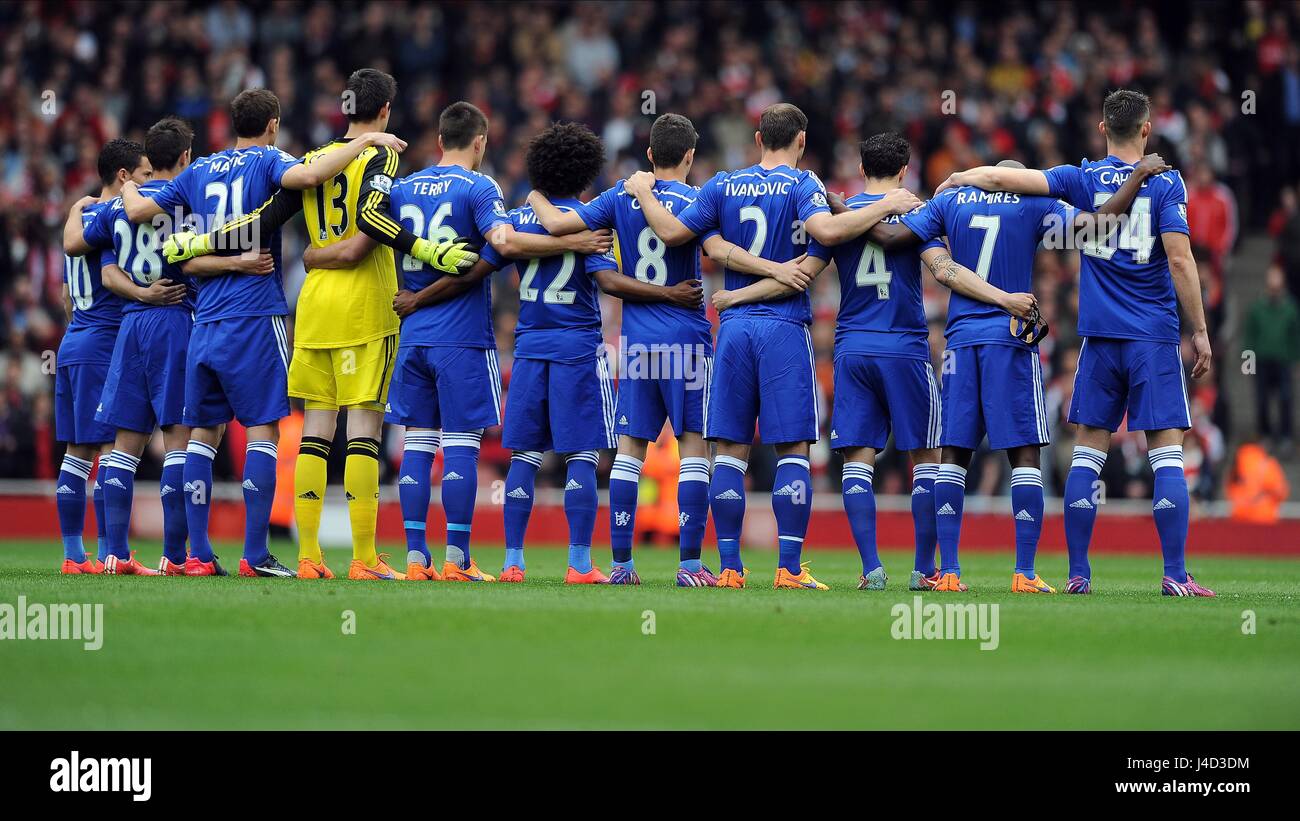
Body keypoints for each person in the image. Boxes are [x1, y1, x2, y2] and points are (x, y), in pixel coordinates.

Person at [623, 103, 919, 590]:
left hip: (735, 330)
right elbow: (823, 237)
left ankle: (731, 569)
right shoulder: (804, 186)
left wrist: (641, 191)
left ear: (758, 137)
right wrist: (885, 205)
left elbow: (673, 232)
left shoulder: (721, 184)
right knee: (793, 449)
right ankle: (788, 567)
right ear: (801, 142)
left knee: (730, 451)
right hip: (784, 328)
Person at [938, 89, 1216, 596]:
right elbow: (1179, 260)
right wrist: (1198, 331)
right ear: (1147, 130)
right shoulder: (1166, 182)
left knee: (1088, 452)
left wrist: (961, 177)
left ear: (1102, 128)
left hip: (1098, 339)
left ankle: (1078, 575)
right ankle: (1174, 575)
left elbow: (1005, 177)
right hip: (1152, 336)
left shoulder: (1081, 177)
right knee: (1167, 453)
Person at [121, 88, 406, 577]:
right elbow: (311, 176)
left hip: (204, 319)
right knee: (264, 434)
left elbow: (137, 214)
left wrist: (123, 182)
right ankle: (257, 554)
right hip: (257, 316)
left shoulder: (198, 170)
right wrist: (368, 141)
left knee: (200, 438)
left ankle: (197, 555)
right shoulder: (274, 160)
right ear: (273, 124)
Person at [527, 112, 806, 586]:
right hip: (687, 340)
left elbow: (555, 224)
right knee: (694, 450)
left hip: (635, 342)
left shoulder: (618, 195)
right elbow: (720, 250)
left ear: (651, 154)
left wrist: (534, 192)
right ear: (691, 156)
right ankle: (691, 565)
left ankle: (621, 565)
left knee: (630, 452)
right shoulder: (699, 201)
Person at [52, 138, 149, 575]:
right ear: (124, 176)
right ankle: (114, 553)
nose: (149, 182)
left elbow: (69, 268)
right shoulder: (114, 218)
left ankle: (76, 554)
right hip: (102, 343)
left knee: (78, 452)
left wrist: (73, 208)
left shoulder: (82, 216)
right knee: (112, 449)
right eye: (145, 175)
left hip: (74, 340)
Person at [1243, 263, 1300, 454]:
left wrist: (1296, 361)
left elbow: (1296, 336)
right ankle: (1264, 433)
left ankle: (1285, 435)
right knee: (1262, 400)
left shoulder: (1290, 308)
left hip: (1283, 361)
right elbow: (1249, 336)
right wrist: (1247, 364)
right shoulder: (1257, 308)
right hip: (1261, 361)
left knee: (1286, 398)